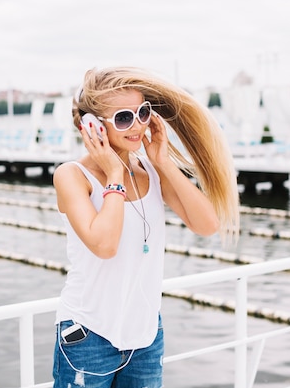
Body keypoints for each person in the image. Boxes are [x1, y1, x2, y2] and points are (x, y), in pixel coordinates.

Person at [52, 66, 240, 388]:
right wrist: (114, 173)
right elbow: (105, 245)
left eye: (143, 112)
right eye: (124, 118)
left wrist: (163, 161)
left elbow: (207, 224)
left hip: (145, 338)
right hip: (88, 336)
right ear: (93, 126)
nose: (137, 125)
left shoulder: (151, 171)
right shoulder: (71, 176)